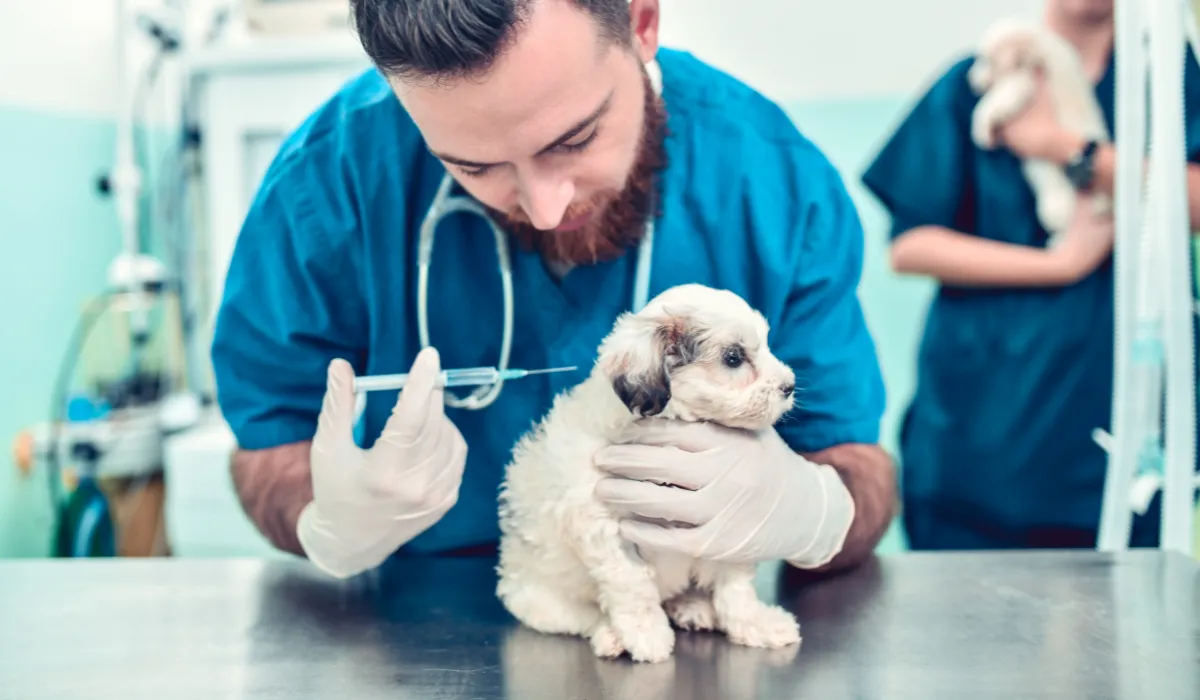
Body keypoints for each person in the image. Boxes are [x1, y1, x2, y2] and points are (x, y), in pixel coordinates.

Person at [211, 0, 896, 580]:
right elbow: (269, 444)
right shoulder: (332, 180)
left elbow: (857, 464)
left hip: (673, 624)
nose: (543, 208)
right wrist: (322, 518)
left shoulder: (773, 182)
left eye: (574, 140)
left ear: (642, 22)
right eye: (474, 166)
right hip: (420, 629)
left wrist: (811, 512)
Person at [861, 0, 1200, 550]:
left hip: (1118, 444)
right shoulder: (976, 82)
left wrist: (1063, 146)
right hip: (981, 440)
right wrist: (1058, 265)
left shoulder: (1166, 84)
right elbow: (910, 246)